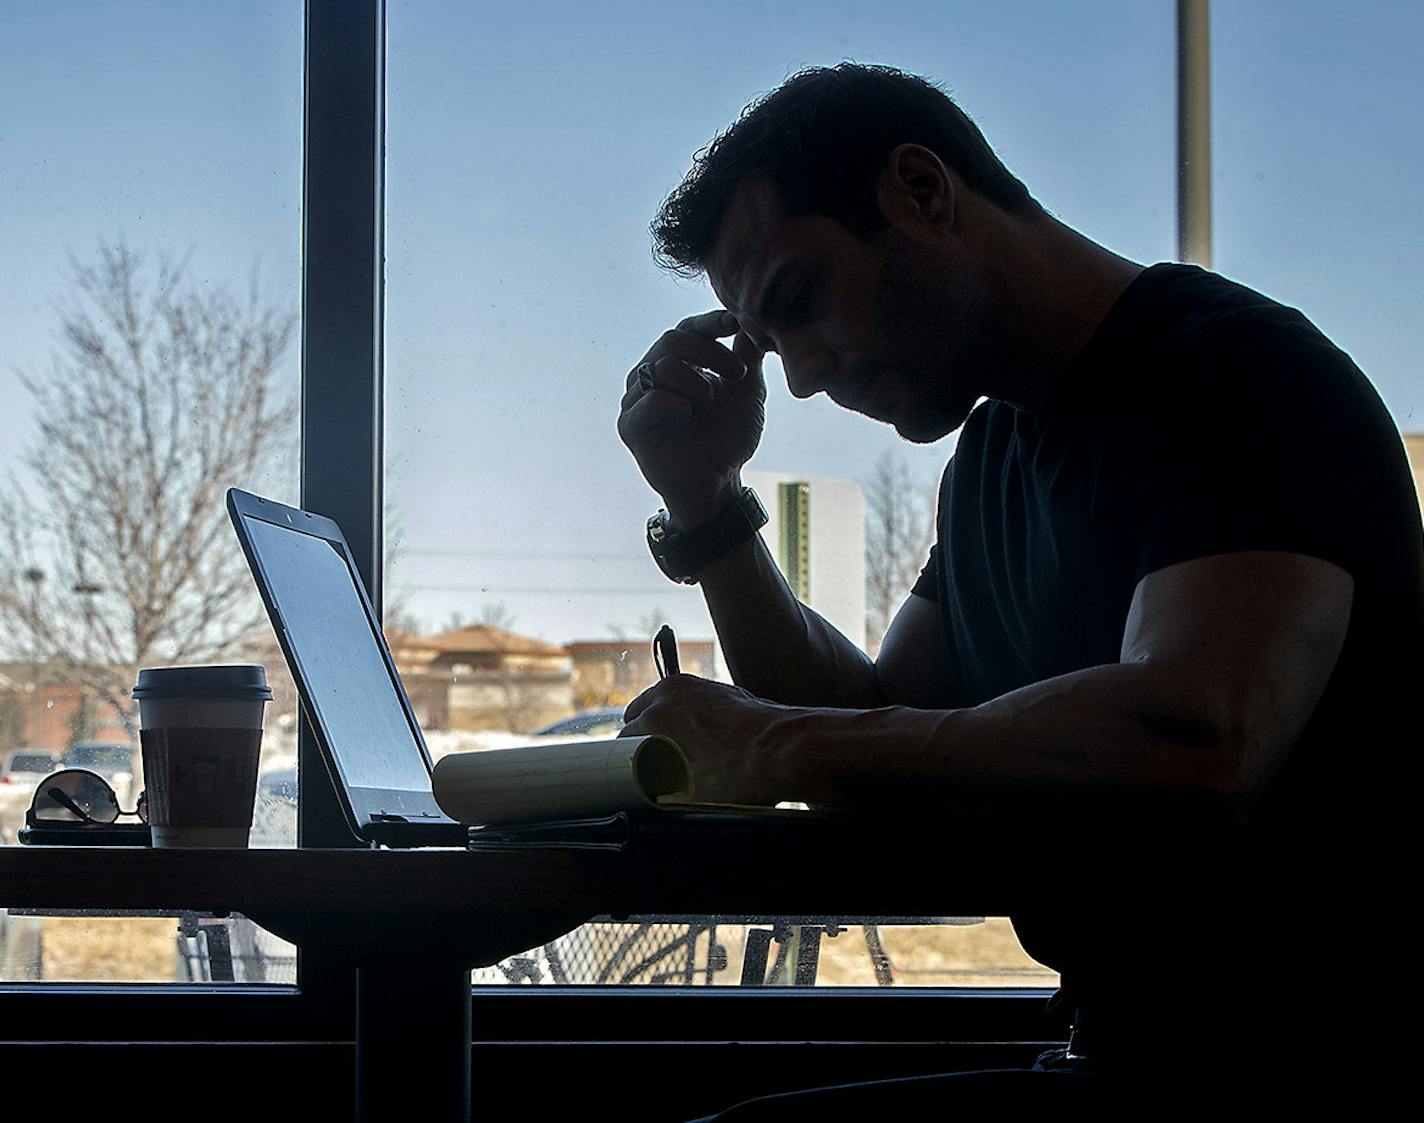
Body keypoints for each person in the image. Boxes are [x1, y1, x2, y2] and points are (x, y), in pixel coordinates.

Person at [615, 63, 1423, 1107]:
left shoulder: (1238, 376)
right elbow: (875, 718)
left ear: (920, 190)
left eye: (799, 300)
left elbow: (1195, 740)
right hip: (1124, 1055)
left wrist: (767, 743)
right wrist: (708, 507)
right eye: (771, 346)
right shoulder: (990, 457)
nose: (805, 377)